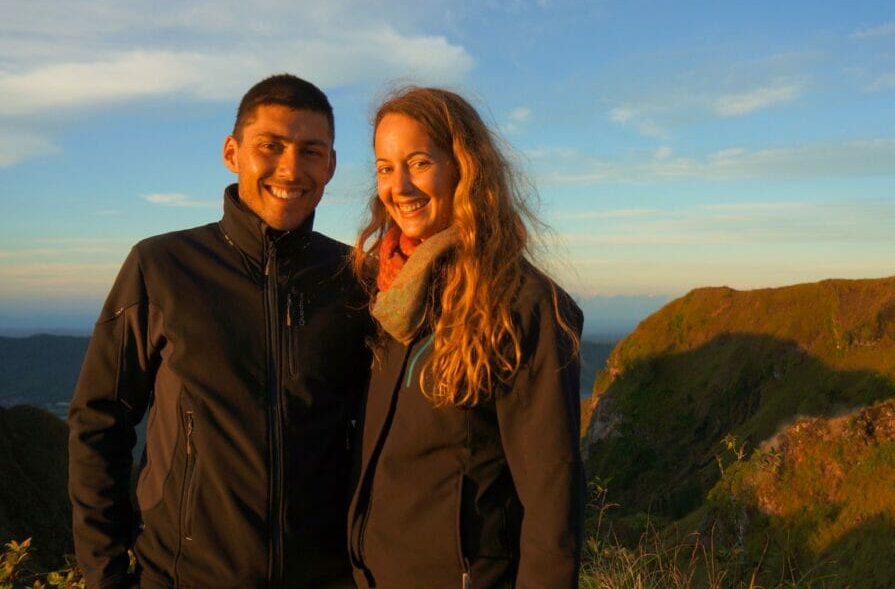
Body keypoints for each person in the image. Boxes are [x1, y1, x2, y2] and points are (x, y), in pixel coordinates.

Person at [68, 74, 371, 588]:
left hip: (328, 576)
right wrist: (107, 574)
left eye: (311, 151)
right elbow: (99, 422)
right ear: (233, 153)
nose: (290, 168)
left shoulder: (354, 277)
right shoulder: (162, 266)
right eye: (269, 146)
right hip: (184, 575)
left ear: (331, 165)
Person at [347, 87, 585, 588]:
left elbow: (552, 497)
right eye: (385, 168)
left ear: (463, 165)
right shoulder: (385, 293)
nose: (400, 186)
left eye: (418, 162)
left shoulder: (522, 302)